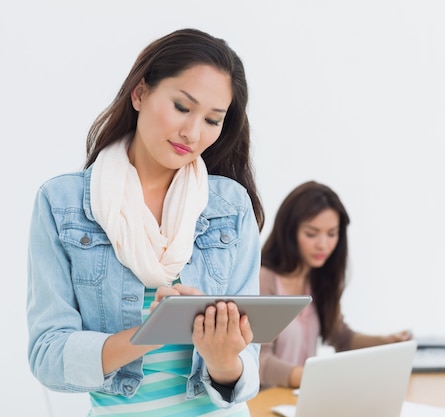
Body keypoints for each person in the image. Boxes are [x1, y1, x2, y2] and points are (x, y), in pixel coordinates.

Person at [26, 28, 265, 416]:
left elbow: (246, 370)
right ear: (140, 93)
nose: (193, 132)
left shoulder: (230, 207)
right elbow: (47, 355)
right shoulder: (62, 204)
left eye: (213, 119)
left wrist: (223, 359)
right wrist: (147, 336)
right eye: (182, 107)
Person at [258, 181, 412, 389]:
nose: (324, 244)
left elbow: (340, 336)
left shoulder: (318, 278)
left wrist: (386, 342)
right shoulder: (264, 280)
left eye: (332, 234)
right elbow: (259, 361)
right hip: (266, 402)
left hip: (302, 398)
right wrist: (314, 377)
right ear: (289, 233)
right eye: (311, 234)